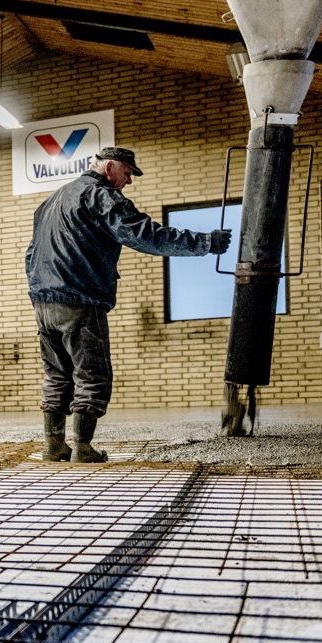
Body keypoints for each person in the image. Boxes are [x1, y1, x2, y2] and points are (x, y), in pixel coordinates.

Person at [25, 146, 231, 463]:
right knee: (91, 374)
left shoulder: (52, 199)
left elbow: (30, 254)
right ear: (110, 167)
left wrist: (40, 291)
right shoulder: (99, 194)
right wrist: (204, 242)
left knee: (56, 374)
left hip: (43, 302)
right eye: (128, 173)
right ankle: (82, 448)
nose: (129, 182)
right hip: (80, 299)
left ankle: (54, 446)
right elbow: (142, 233)